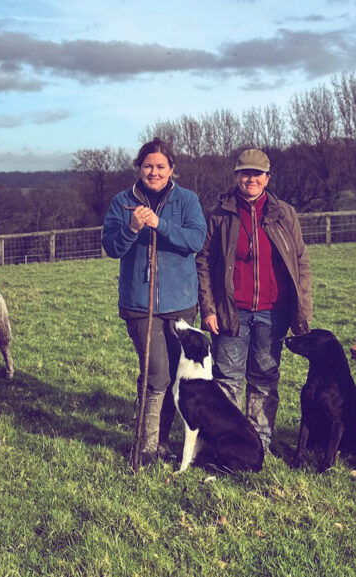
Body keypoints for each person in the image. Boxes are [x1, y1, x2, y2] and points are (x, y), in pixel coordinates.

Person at [195, 148, 312, 456]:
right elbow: (204, 262)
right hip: (230, 312)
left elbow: (300, 261)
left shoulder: (284, 213)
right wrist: (208, 309)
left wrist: (303, 309)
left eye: (257, 173)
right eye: (245, 173)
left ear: (267, 178)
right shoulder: (220, 214)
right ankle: (228, 441)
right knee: (227, 380)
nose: (251, 179)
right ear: (236, 176)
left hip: (273, 313)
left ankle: (260, 441)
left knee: (264, 379)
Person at [101, 137, 207, 467]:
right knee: (156, 373)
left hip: (181, 303)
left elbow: (196, 239)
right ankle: (144, 449)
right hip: (139, 303)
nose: (154, 172)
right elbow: (111, 247)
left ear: (172, 169)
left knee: (173, 374)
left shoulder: (187, 200)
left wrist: (160, 225)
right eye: (148, 165)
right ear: (139, 168)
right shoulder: (123, 202)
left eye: (161, 166)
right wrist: (132, 227)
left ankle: (161, 443)